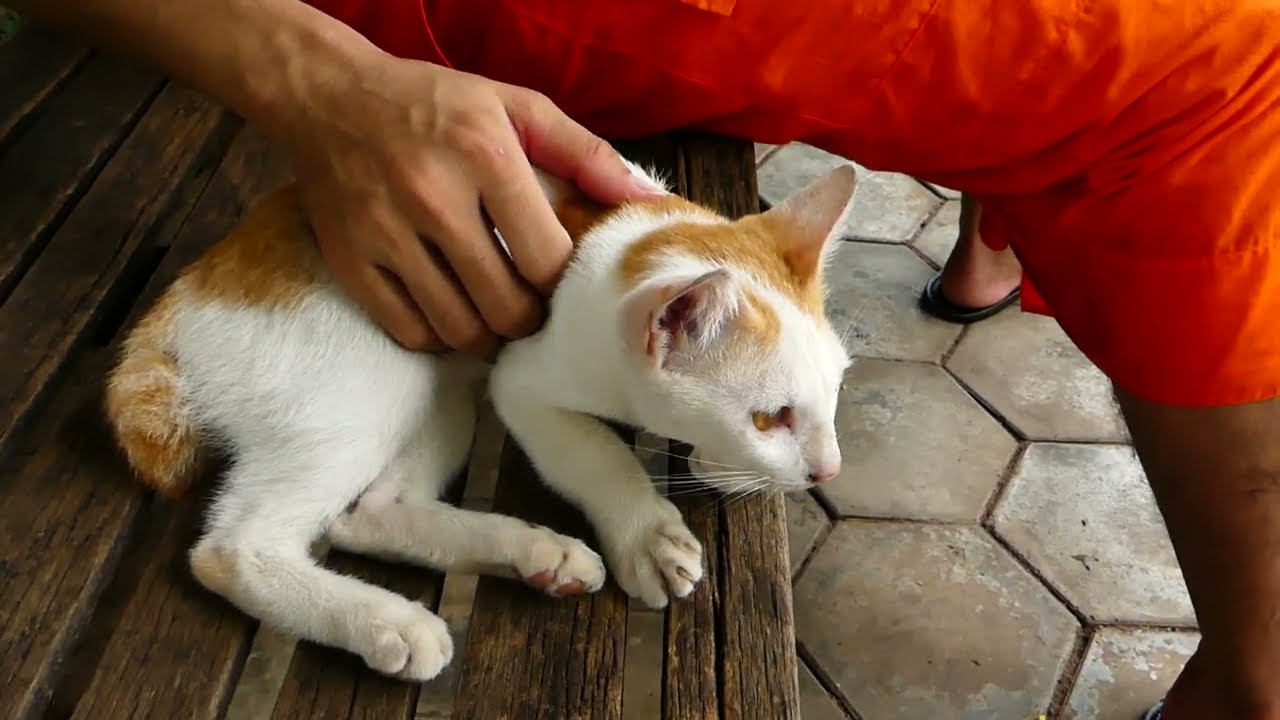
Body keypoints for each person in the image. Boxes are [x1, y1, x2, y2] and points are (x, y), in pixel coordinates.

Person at [12, 1, 1279, 718]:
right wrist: (308, 75)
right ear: (670, 331)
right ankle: (265, 552)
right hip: (351, 114)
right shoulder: (664, 327)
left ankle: (393, 518)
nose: (824, 469)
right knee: (388, 380)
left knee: (444, 393)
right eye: (793, 432)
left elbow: (519, 382)